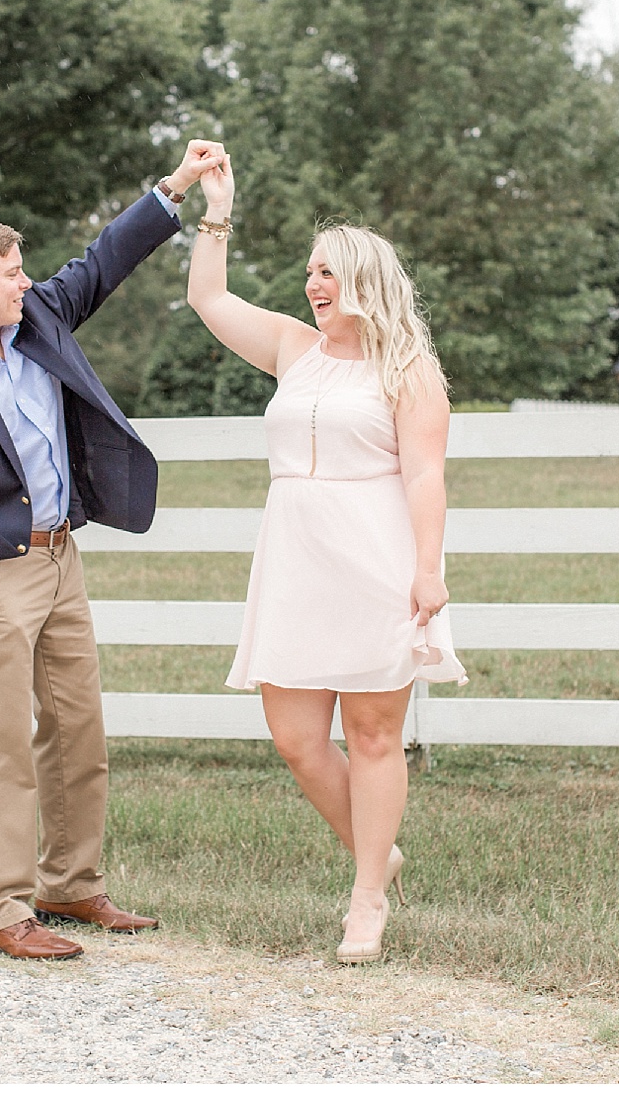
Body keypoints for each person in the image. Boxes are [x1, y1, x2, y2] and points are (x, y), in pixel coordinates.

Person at [0, 140, 226, 960]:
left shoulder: (36, 316)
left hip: (62, 557)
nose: (27, 282)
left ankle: (70, 883)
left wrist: (177, 185)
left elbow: (103, 261)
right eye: (12, 272)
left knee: (77, 727)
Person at [183, 153, 466, 964]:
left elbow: (426, 475)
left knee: (374, 734)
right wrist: (217, 211)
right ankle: (379, 850)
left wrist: (429, 569)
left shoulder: (409, 370)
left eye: (329, 272)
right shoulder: (291, 348)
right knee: (296, 737)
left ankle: (367, 895)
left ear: (365, 281)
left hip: (375, 559)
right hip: (294, 559)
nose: (314, 284)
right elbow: (208, 299)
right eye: (310, 271)